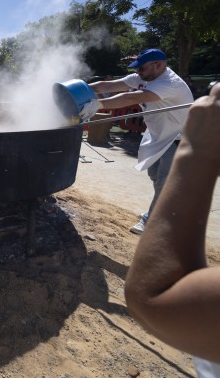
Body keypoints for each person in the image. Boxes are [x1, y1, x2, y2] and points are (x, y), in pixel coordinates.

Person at [124, 82, 220, 377]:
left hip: (172, 144)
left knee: (165, 186)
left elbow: (151, 299)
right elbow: (118, 87)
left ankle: (149, 217)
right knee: (158, 183)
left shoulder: (169, 83)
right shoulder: (143, 77)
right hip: (157, 144)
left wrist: (197, 150)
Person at [80, 49, 193, 235]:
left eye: (141, 68)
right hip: (158, 133)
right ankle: (167, 207)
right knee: (155, 175)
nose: (138, 72)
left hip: (179, 137)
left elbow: (131, 97)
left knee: (164, 181)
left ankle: (152, 220)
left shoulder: (169, 83)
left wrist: (96, 105)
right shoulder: (144, 76)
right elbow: (109, 86)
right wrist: (80, 90)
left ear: (158, 65)